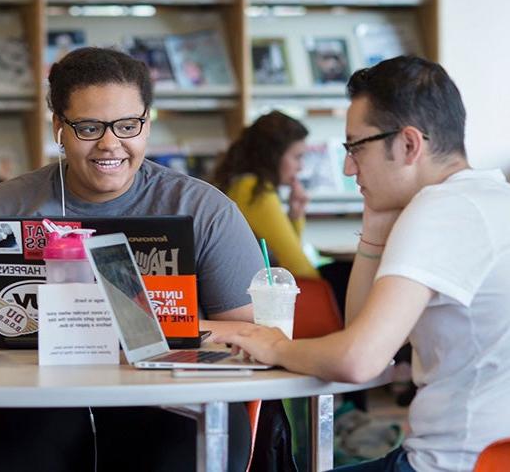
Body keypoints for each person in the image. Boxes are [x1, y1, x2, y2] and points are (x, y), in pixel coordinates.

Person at [0, 47, 265, 472]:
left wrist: (134, 322)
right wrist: (56, 317)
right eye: (89, 127)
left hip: (167, 398)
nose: (111, 144)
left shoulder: (203, 209)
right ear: (59, 127)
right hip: (31, 398)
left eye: (128, 125)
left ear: (147, 122)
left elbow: (253, 330)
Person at [214, 56, 510, 471]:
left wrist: (276, 346)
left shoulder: (441, 209)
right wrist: (375, 224)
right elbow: (360, 331)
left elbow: (358, 359)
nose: (348, 167)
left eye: (356, 147)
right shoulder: (491, 196)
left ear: (409, 144)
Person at [212, 110, 318, 279]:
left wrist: (295, 216)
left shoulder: (242, 183)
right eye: (297, 157)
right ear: (274, 156)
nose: (301, 167)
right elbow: (297, 267)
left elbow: (288, 263)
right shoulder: (253, 189)